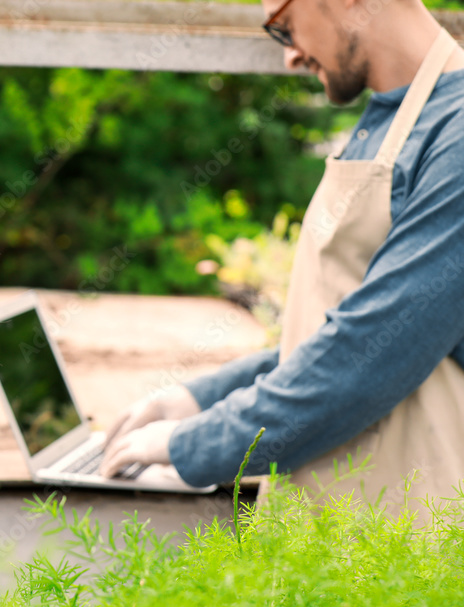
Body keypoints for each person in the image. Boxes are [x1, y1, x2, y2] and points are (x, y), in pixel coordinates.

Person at [101, 0, 464, 516]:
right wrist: (197, 399)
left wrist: (192, 444)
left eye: (284, 26)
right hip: (331, 536)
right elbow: (330, 328)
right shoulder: (383, 121)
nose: (291, 55)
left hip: (407, 553)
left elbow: (370, 354)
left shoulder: (456, 134)